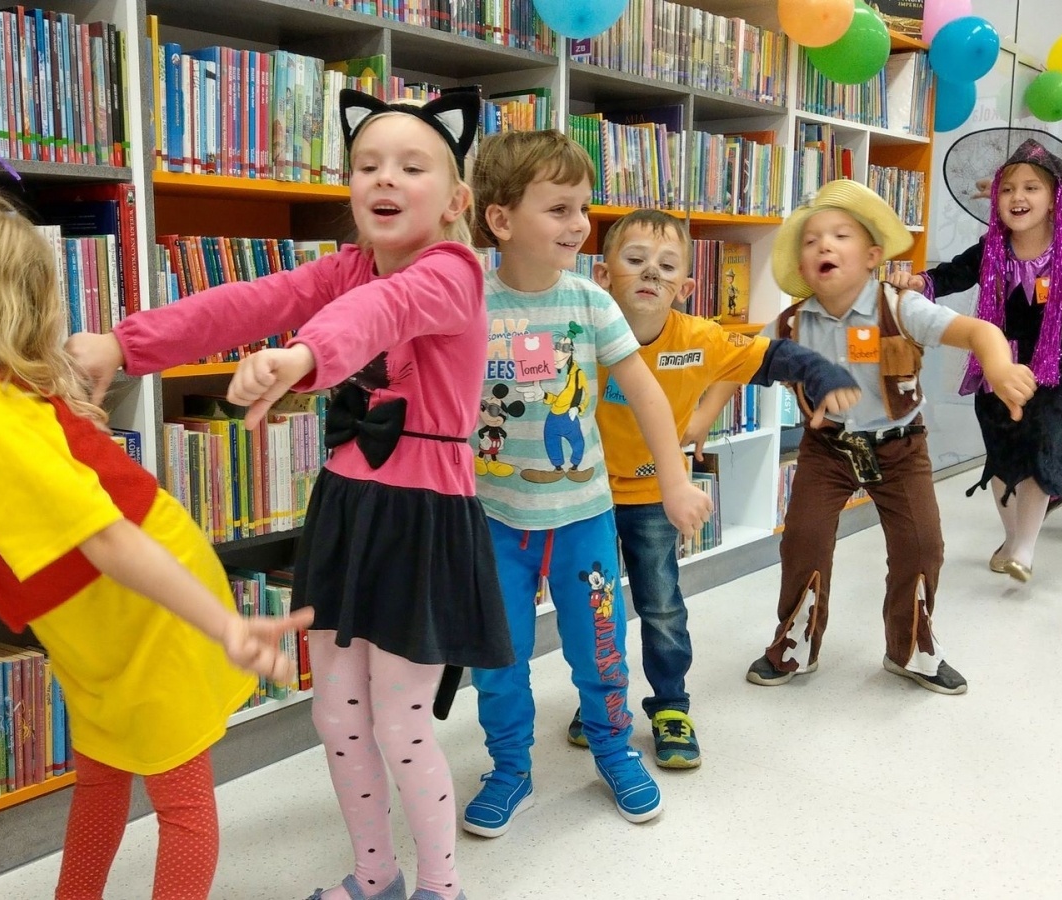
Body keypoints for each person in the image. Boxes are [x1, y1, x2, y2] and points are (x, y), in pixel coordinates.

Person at [69, 88, 512, 900]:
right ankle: (374, 876)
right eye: (368, 164)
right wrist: (123, 346)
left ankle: (441, 889)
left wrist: (305, 358)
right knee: (337, 718)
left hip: (423, 521)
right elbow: (247, 303)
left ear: (456, 201)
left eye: (412, 166)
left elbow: (387, 310)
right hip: (347, 511)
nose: (385, 179)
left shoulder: (453, 271)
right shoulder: (346, 265)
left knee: (403, 726)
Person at [0, 177, 310, 900]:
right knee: (100, 772)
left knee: (178, 795)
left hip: (153, 608)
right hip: (83, 628)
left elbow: (111, 541)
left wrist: (224, 625)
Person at [463, 130, 713, 836]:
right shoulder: (469, 301)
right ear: (501, 220)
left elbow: (648, 395)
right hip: (494, 522)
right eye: (561, 209)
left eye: (584, 209)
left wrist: (673, 482)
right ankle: (509, 767)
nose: (581, 226)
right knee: (498, 657)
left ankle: (612, 746)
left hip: (583, 519)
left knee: (600, 644)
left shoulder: (591, 304)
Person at [583, 209, 857, 767]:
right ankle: (602, 702)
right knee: (594, 608)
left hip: (655, 498)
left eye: (665, 267)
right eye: (634, 261)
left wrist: (822, 374)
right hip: (583, 501)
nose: (650, 275)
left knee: (660, 606)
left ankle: (670, 706)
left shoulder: (699, 338)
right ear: (603, 275)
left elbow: (771, 356)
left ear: (685, 287)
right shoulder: (579, 327)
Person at [749, 179, 1033, 695]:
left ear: (873, 255)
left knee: (922, 545)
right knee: (804, 541)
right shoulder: (791, 324)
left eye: (840, 235)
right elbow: (737, 362)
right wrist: (698, 419)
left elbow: (978, 331)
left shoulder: (901, 308)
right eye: (811, 241)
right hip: (827, 451)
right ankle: (794, 645)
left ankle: (912, 649)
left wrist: (996, 364)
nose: (824, 246)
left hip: (901, 448)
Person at [897, 135, 1062, 583]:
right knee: (1001, 452)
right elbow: (945, 276)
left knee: (1042, 444)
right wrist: (915, 282)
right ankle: (1013, 537)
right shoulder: (990, 250)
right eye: (1009, 188)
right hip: (996, 366)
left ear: (1055, 197)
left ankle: (1025, 547)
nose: (1018, 197)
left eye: (1031, 187)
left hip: (1059, 367)